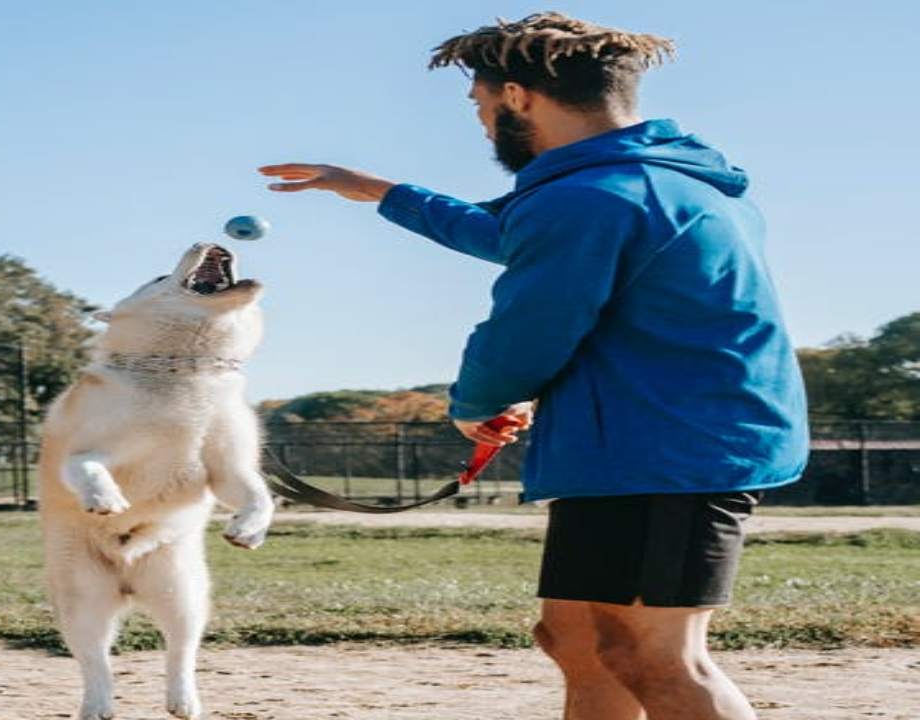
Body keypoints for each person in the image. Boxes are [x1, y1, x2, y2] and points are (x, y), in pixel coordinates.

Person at [259, 12, 809, 720]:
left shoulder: (592, 196)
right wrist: (383, 192)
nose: (483, 124)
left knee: (654, 657)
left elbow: (530, 328)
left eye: (481, 106)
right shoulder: (641, 184)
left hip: (669, 453)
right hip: (635, 449)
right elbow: (513, 233)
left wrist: (475, 401)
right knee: (576, 639)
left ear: (517, 97)